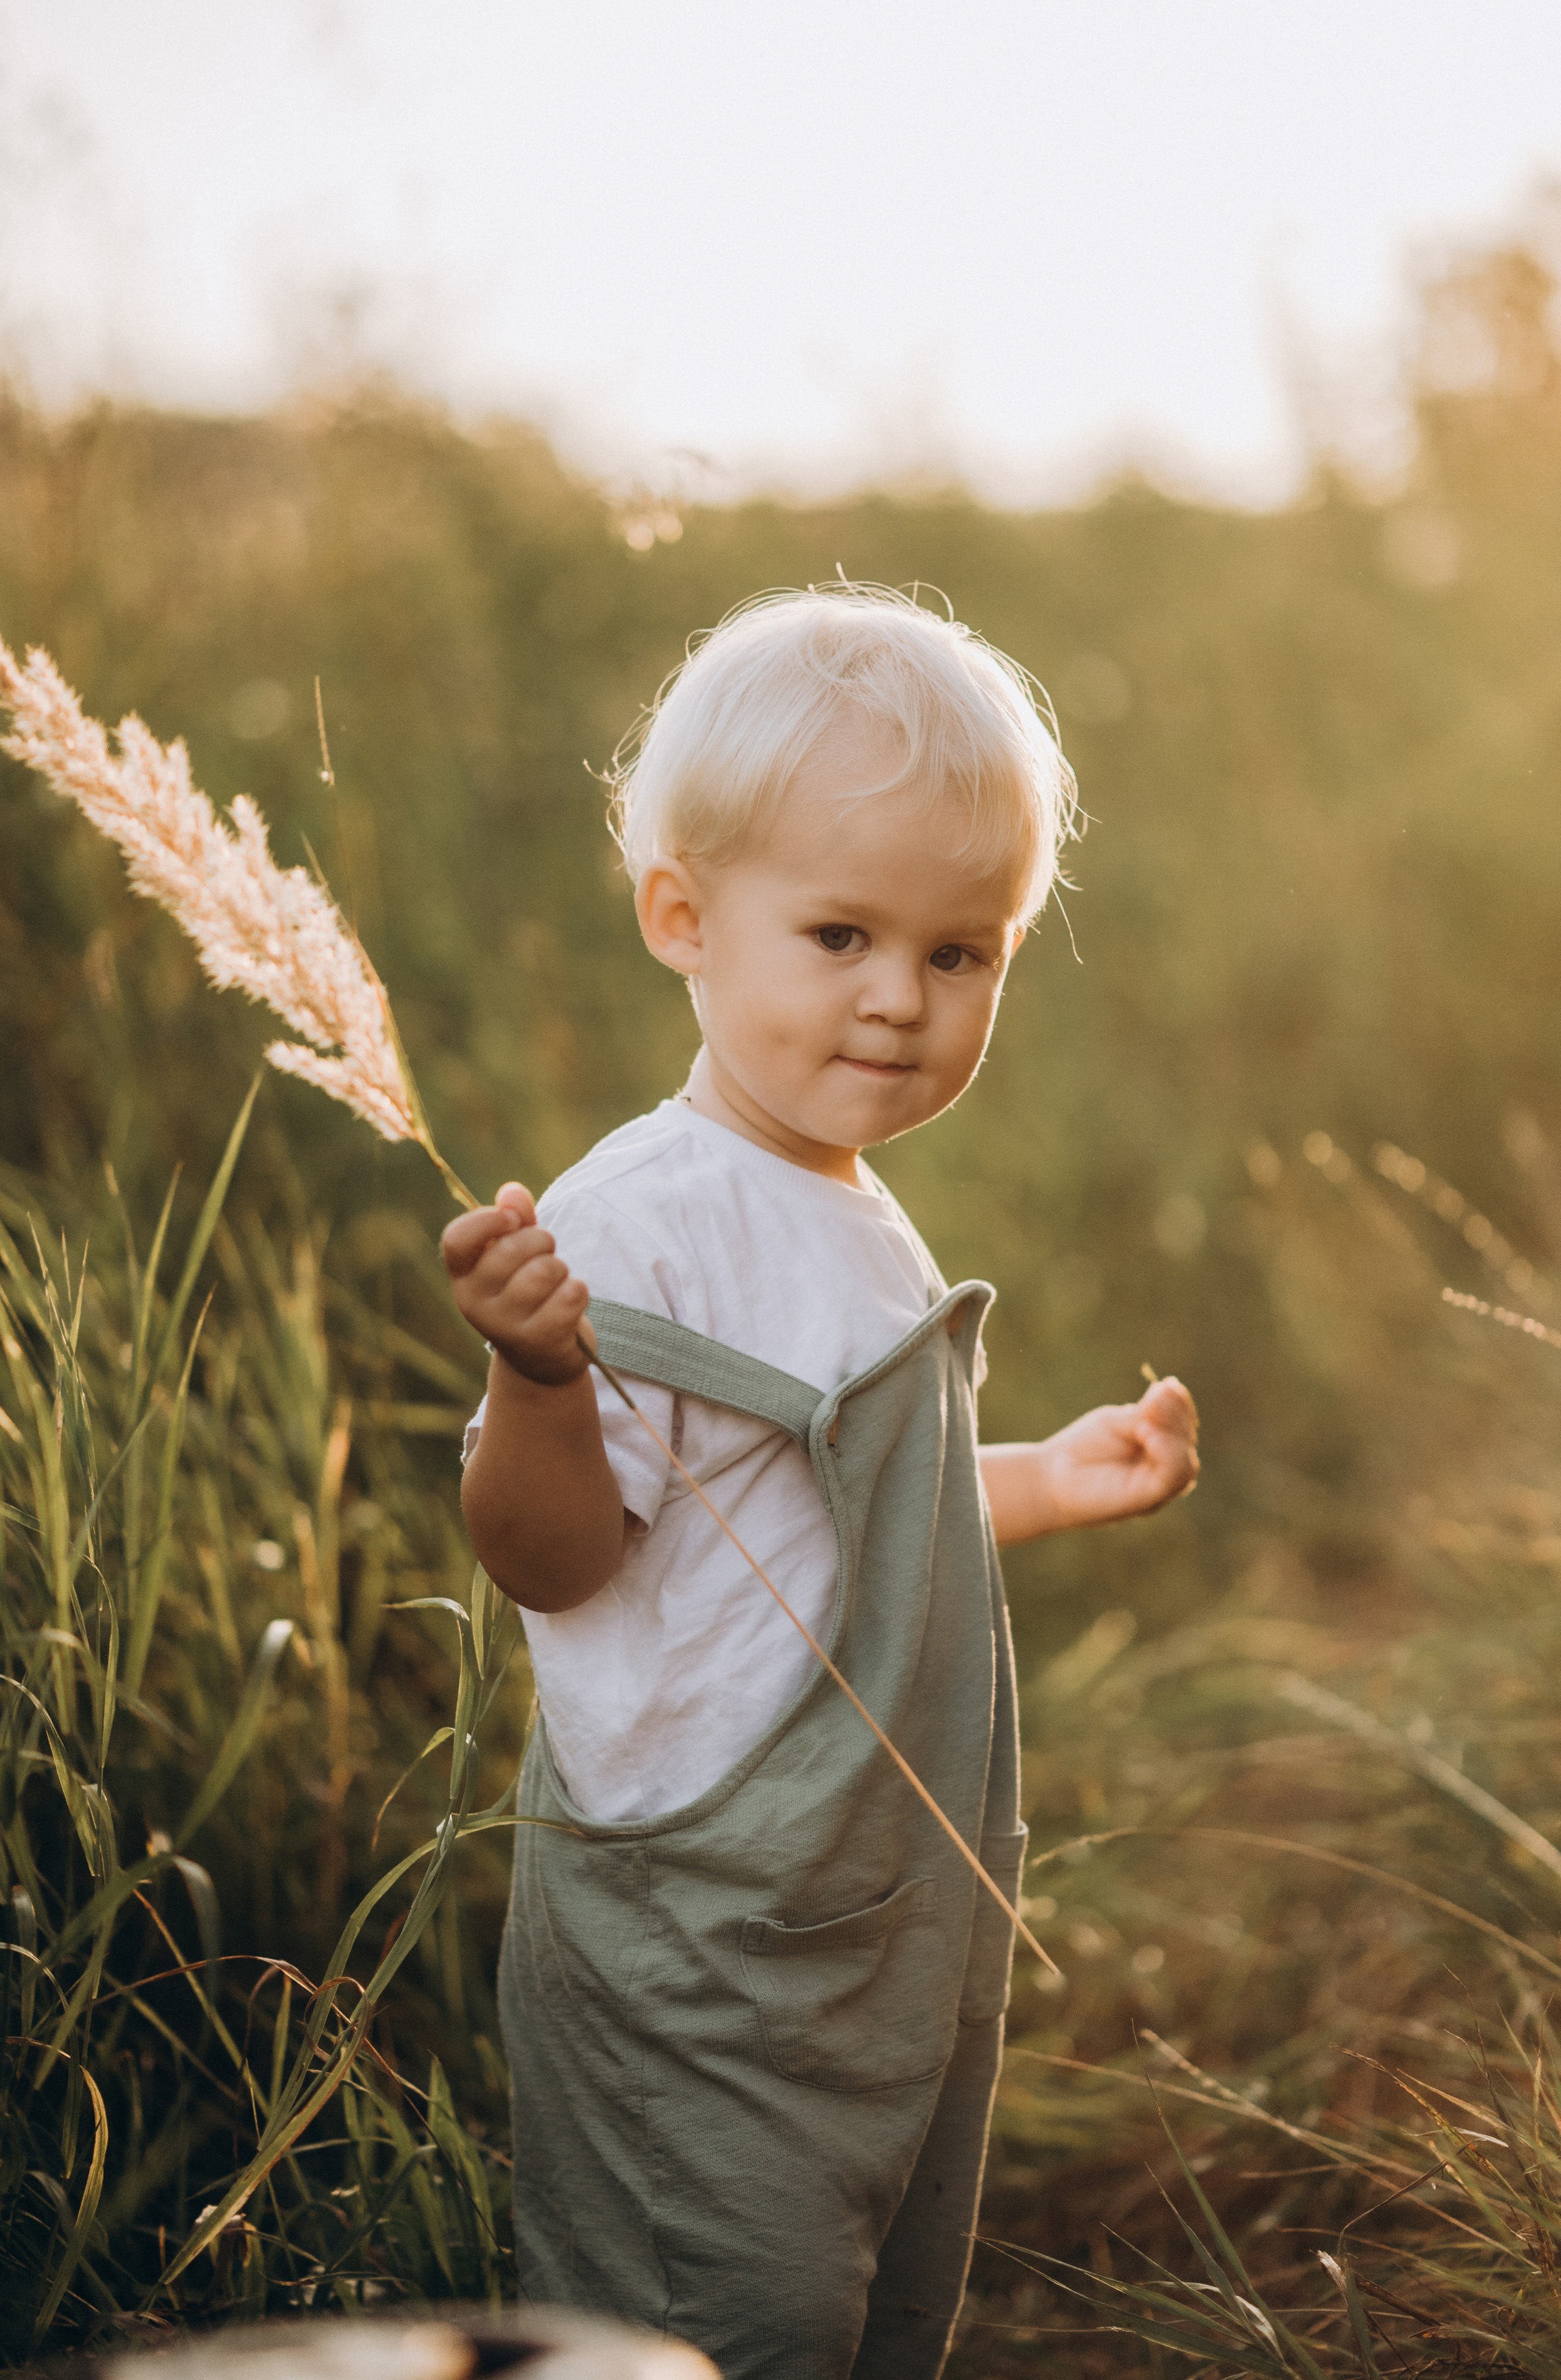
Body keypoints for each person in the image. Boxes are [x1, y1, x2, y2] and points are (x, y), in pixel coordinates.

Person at [443, 586, 1199, 2380]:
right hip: (698, 1939)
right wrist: (537, 1376)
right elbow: (551, 1554)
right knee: (720, 2319)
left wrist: (1036, 1476)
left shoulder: (847, 1202)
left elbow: (831, 1531)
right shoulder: (644, 1218)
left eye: (962, 953)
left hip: (869, 1918)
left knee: (863, 2305)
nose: (900, 999)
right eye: (844, 931)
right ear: (685, 921)